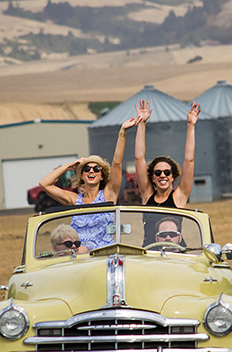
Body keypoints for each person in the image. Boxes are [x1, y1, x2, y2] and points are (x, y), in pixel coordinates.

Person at [40, 117, 137, 250]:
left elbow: (117, 163)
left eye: (96, 169)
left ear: (102, 176)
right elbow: (44, 184)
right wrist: (67, 166)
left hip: (104, 254)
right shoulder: (74, 200)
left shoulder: (109, 194)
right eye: (86, 169)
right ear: (82, 176)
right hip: (79, 255)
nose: (91, 171)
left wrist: (122, 132)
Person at [134, 99, 201, 245]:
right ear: (152, 177)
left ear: (172, 177)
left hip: (175, 252)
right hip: (150, 252)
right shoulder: (147, 195)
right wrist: (142, 123)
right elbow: (139, 158)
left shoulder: (180, 196)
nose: (162, 175)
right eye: (158, 173)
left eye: (166, 172)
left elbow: (189, 160)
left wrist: (191, 125)